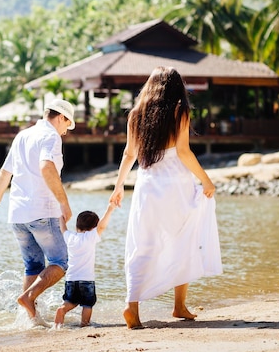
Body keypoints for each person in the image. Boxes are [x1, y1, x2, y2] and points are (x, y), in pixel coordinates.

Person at [109, 66, 222, 329]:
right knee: (185, 239)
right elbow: (183, 151)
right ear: (176, 87)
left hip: (147, 186)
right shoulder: (179, 109)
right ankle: (179, 305)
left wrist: (118, 187)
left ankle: (131, 305)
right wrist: (206, 180)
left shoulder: (136, 114)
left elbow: (129, 154)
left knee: (143, 245)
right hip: (176, 185)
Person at [0, 98, 76, 322]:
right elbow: (46, 166)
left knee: (33, 265)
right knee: (61, 262)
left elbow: (5, 173)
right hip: (42, 210)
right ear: (61, 117)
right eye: (67, 125)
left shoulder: (22, 135)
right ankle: (29, 296)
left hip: (17, 214)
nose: (65, 132)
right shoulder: (50, 136)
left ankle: (31, 319)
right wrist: (63, 202)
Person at [54, 202, 116, 328]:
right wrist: (109, 210)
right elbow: (102, 227)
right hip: (86, 279)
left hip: (71, 279)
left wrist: (61, 215)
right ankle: (84, 325)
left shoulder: (70, 237)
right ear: (94, 227)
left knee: (70, 302)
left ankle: (61, 313)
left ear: (77, 225)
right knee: (87, 304)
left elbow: (63, 228)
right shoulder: (91, 236)